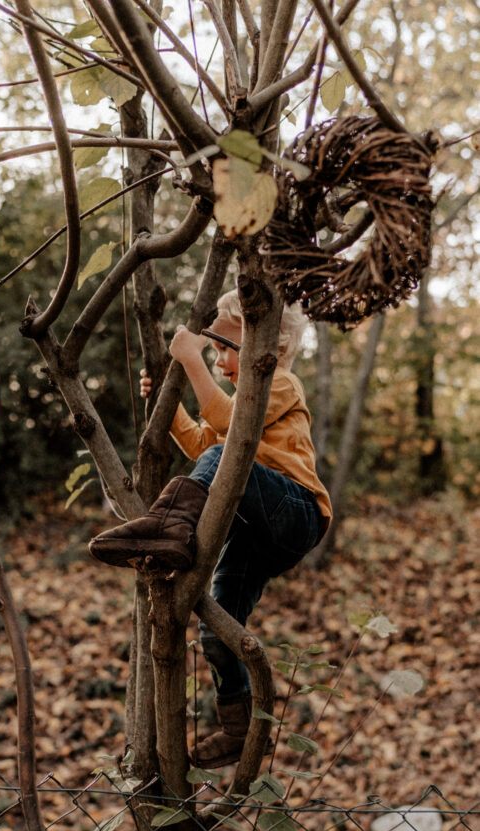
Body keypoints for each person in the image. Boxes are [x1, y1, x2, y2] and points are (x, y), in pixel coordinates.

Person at [88, 290, 332, 768]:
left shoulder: (281, 383)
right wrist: (168, 399)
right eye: (214, 348)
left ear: (269, 345)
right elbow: (202, 439)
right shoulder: (242, 394)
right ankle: (241, 730)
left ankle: (168, 530)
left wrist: (190, 360)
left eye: (226, 347)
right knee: (218, 630)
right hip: (255, 528)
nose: (219, 359)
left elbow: (228, 428)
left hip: (297, 510)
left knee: (222, 457)